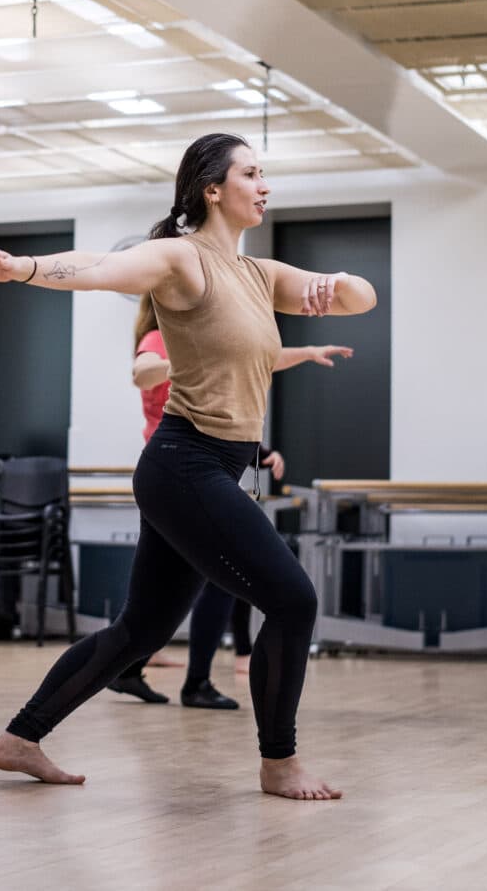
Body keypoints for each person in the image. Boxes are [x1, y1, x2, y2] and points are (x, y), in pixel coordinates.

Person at [0, 132, 375, 800]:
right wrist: (21, 267)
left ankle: (20, 737)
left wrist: (333, 288)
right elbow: (100, 267)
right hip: (184, 463)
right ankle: (279, 762)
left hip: (207, 467)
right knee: (293, 599)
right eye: (252, 173)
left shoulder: (260, 275)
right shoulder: (181, 259)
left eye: (265, 173)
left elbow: (357, 297)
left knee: (142, 629)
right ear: (212, 188)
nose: (265, 185)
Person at [107, 295, 352, 709]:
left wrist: (308, 352)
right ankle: (195, 682)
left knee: (158, 602)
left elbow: (254, 361)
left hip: (191, 474)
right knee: (211, 585)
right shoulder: (161, 336)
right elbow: (142, 372)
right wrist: (185, 361)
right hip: (182, 474)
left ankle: (129, 670)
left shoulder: (193, 339)